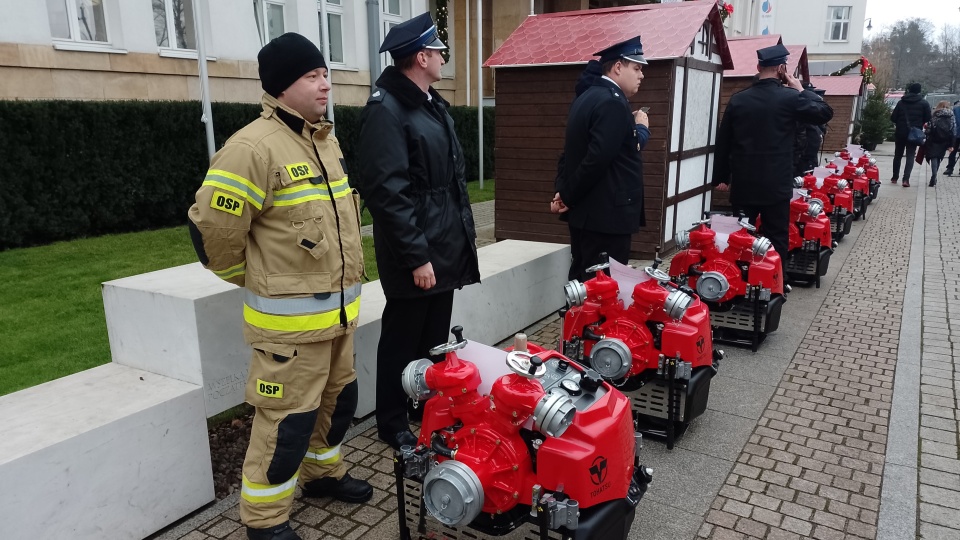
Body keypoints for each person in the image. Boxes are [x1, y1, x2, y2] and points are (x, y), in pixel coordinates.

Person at [187, 33, 372, 540]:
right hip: (288, 332)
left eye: (324, 74)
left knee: (338, 403)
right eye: (311, 76)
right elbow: (213, 232)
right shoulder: (252, 148)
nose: (325, 84)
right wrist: (249, 278)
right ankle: (264, 519)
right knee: (285, 423)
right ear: (281, 86)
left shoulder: (323, 139)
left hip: (337, 319)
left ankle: (323, 474)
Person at [356, 13, 480, 451]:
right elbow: (388, 193)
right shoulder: (387, 110)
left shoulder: (428, 102)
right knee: (402, 339)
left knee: (432, 340)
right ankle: (391, 422)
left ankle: (422, 409)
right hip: (419, 253)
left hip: (441, 246)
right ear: (422, 57)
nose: (444, 56)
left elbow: (448, 183)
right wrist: (417, 257)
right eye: (439, 51)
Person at [712, 44, 833, 289]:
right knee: (776, 235)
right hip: (776, 183)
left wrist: (722, 177)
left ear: (758, 67)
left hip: (744, 183)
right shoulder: (791, 98)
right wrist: (802, 89)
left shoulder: (739, 100)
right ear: (781, 69)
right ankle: (775, 284)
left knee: (741, 234)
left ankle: (740, 282)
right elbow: (824, 113)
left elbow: (724, 141)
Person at [552, 36, 649, 281]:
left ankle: (574, 320)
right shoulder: (612, 103)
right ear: (618, 67)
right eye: (636, 68)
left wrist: (564, 192)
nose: (641, 75)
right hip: (606, 219)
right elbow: (596, 159)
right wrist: (567, 196)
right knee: (603, 290)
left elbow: (571, 154)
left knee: (581, 284)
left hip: (587, 215)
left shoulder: (585, 98)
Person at [889, 82, 931, 187]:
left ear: (909, 90)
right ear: (919, 91)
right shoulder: (924, 103)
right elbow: (928, 118)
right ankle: (906, 179)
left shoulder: (901, 102)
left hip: (900, 132)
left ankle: (894, 177)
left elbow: (893, 118)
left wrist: (900, 123)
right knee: (910, 156)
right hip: (914, 133)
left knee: (898, 155)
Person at [923, 100, 956, 187]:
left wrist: (926, 134)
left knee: (933, 156)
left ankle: (934, 174)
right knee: (939, 157)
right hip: (944, 140)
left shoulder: (935, 114)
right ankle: (935, 174)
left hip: (933, 139)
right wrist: (952, 144)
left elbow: (929, 127)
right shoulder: (951, 115)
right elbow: (953, 129)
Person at [943, 99, 960, 176]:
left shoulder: (955, 109)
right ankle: (950, 168)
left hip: (956, 133)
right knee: (952, 151)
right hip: (956, 134)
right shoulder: (955, 109)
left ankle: (950, 168)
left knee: (953, 151)